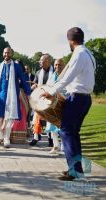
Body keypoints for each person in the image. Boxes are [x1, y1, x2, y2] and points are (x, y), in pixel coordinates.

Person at [41, 27, 95, 181]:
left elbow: (67, 78)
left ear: (71, 41)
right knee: (73, 133)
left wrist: (51, 91)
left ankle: (75, 172)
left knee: (66, 131)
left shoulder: (79, 54)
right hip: (86, 98)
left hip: (76, 99)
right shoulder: (90, 55)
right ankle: (76, 169)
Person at [0, 47, 31, 148]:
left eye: (8, 53)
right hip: (0, 96)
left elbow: (23, 80)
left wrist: (28, 92)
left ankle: (6, 139)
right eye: (5, 53)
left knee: (10, 119)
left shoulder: (16, 67)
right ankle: (0, 136)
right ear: (3, 54)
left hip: (12, 96)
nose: (6, 54)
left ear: (11, 54)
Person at [30, 54, 54, 146]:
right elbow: (34, 84)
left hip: (50, 98)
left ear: (47, 61)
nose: (39, 62)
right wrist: (34, 86)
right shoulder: (38, 73)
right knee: (36, 118)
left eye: (41, 60)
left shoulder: (55, 72)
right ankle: (36, 137)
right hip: (39, 99)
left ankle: (51, 139)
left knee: (50, 119)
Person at [44, 58, 65, 154]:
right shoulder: (52, 76)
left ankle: (64, 147)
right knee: (52, 127)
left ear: (64, 66)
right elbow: (48, 88)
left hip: (63, 104)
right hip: (52, 104)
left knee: (63, 127)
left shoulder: (66, 76)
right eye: (56, 65)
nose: (57, 66)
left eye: (60, 65)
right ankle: (56, 146)